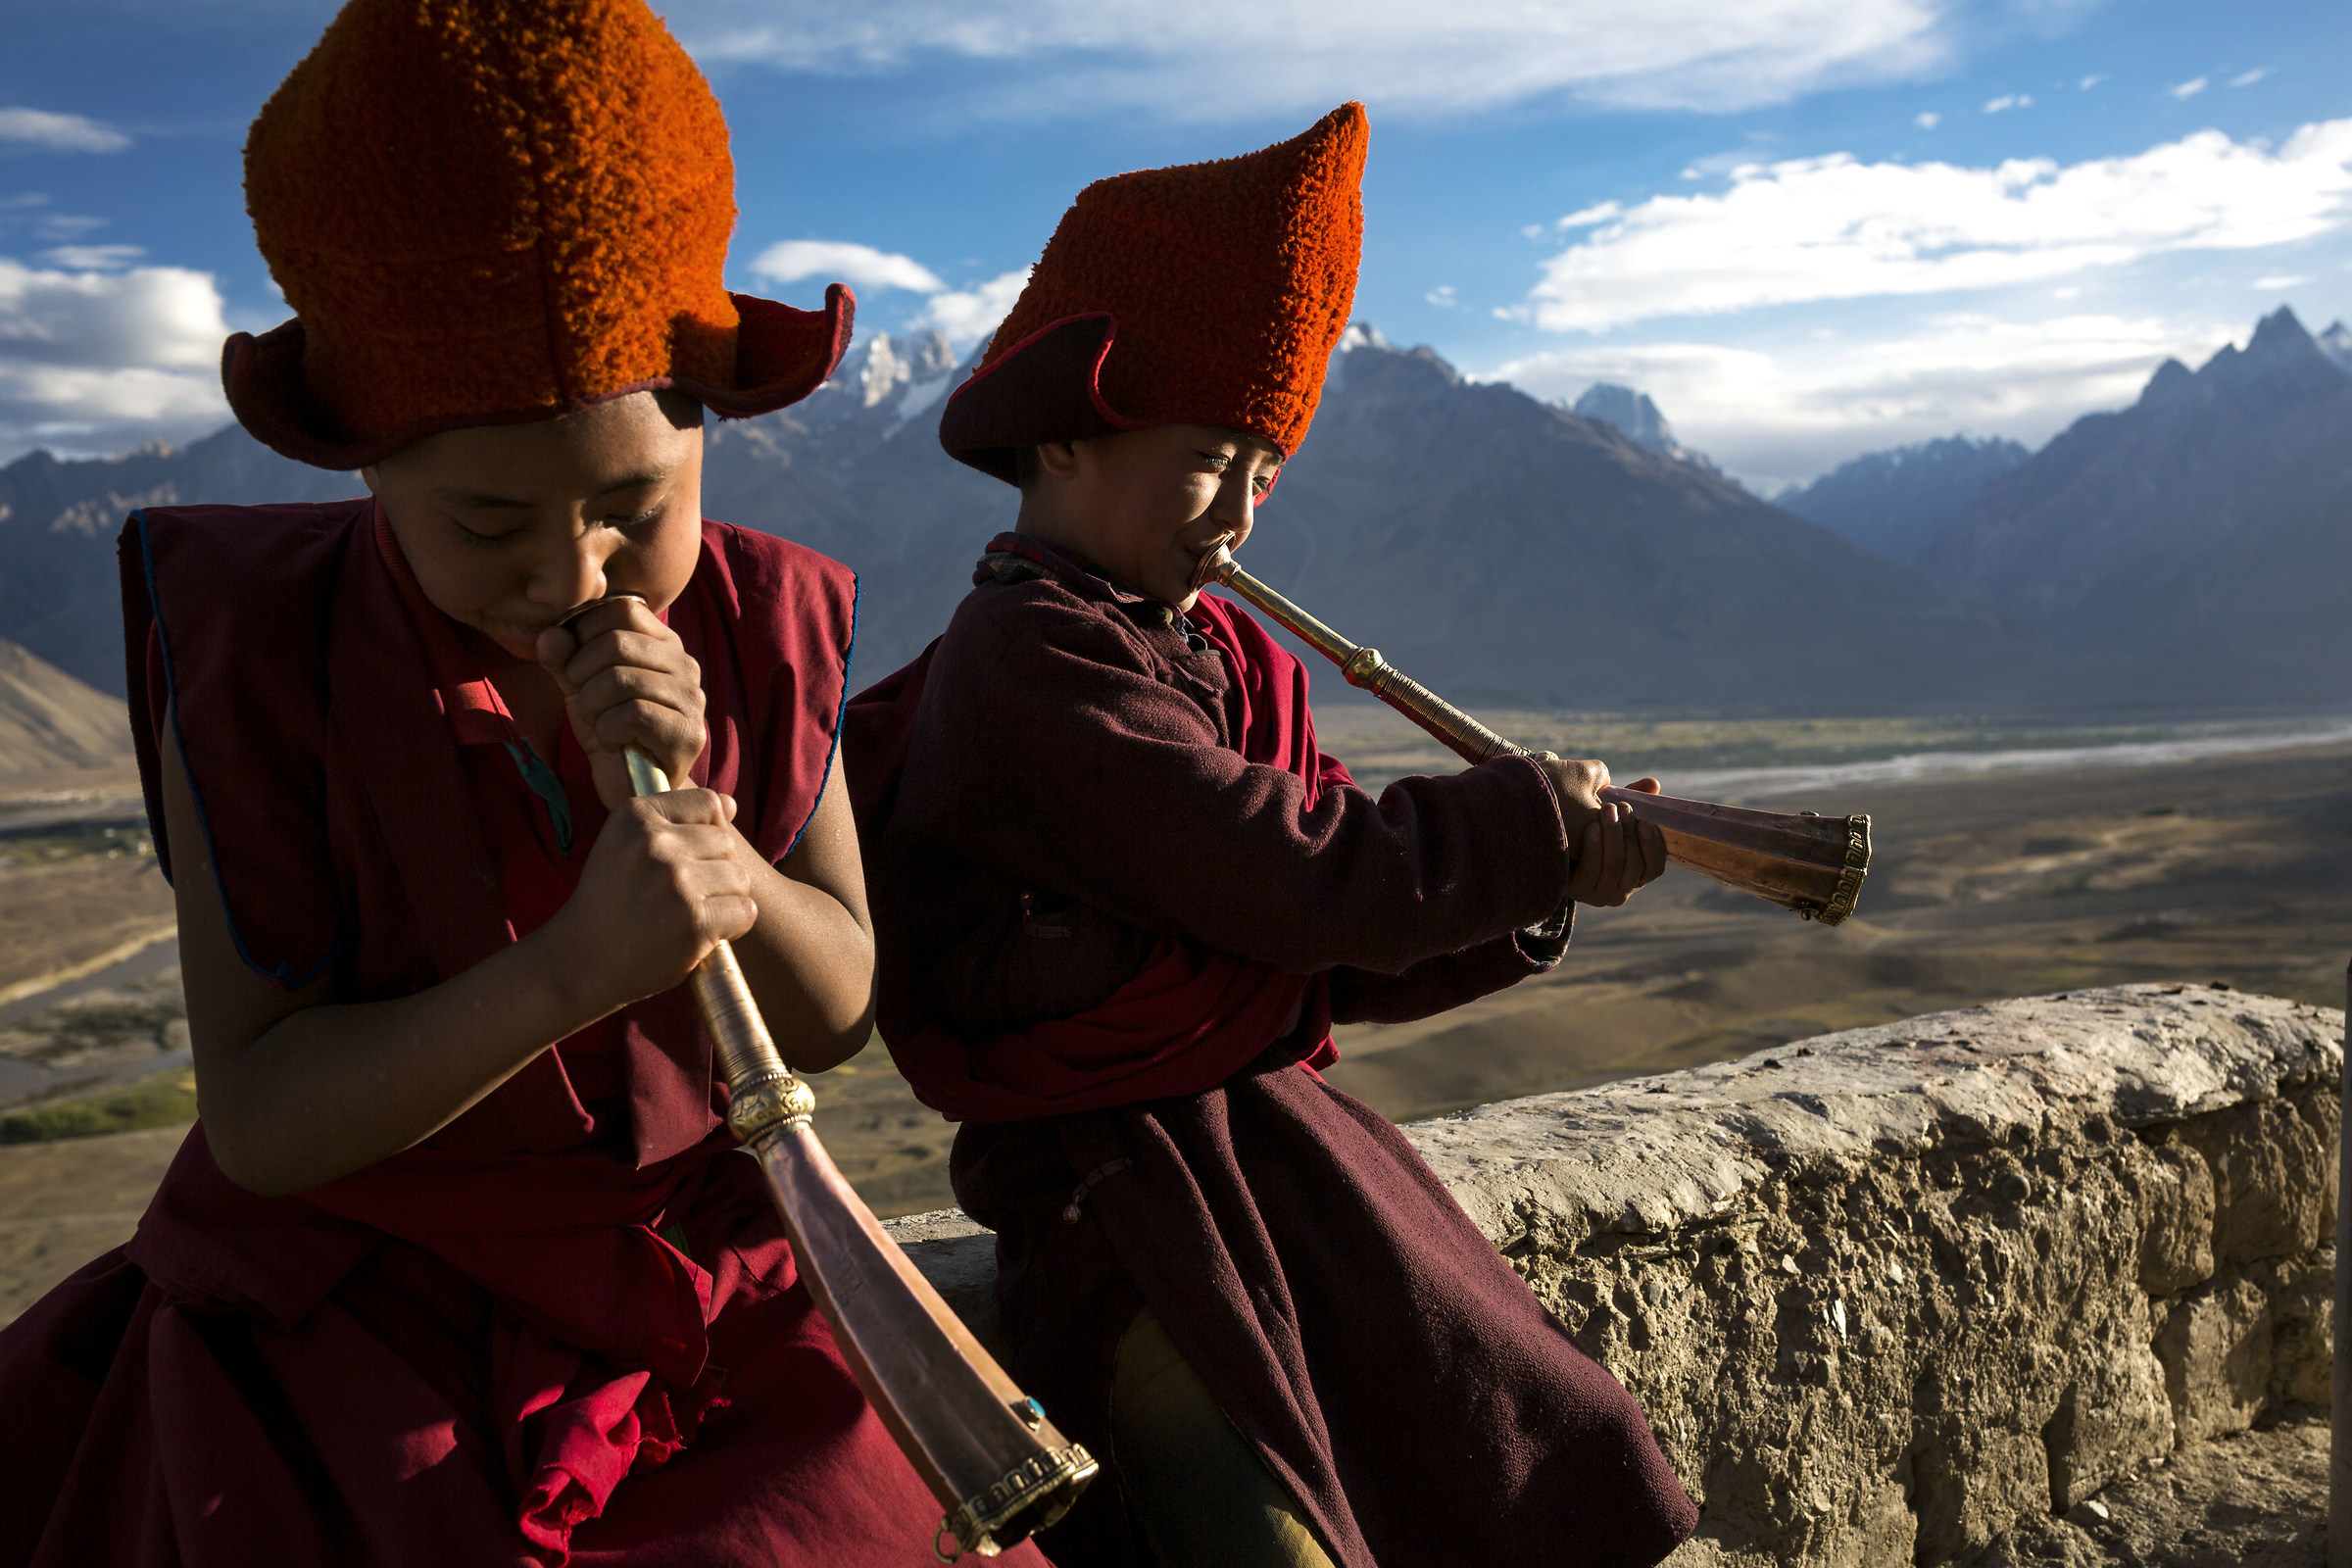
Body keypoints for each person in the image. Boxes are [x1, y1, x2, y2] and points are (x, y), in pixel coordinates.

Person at [0, 2, 1050, 1563]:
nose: (571, 575)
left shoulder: (764, 623)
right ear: (366, 464)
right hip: (351, 1308)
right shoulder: (256, 649)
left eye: (636, 504)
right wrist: (573, 974)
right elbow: (265, 1122)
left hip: (707, 1297)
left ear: (715, 439)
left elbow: (835, 1009)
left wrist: (721, 850)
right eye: (487, 525)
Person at [845, 104, 1700, 1568]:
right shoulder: (1031, 662)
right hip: (1128, 1216)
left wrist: (1539, 888)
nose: (1239, 515)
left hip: (1281, 1170)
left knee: (1521, 1434)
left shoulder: (1221, 657)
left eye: (1264, 469)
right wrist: (1517, 829)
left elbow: (1317, 952)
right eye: (1206, 461)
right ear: (1065, 433)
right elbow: (1295, 875)